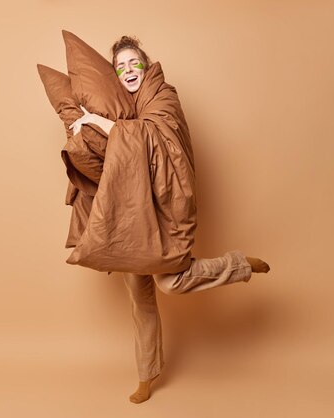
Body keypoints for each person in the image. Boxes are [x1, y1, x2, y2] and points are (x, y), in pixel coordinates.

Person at [69, 36, 270, 404]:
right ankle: (147, 375)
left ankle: (239, 265)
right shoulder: (121, 104)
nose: (129, 71)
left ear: (146, 66)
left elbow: (151, 139)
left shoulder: (163, 96)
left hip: (164, 206)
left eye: (134, 64)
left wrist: (98, 121)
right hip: (130, 211)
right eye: (121, 67)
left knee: (171, 282)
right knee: (139, 298)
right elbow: (114, 155)